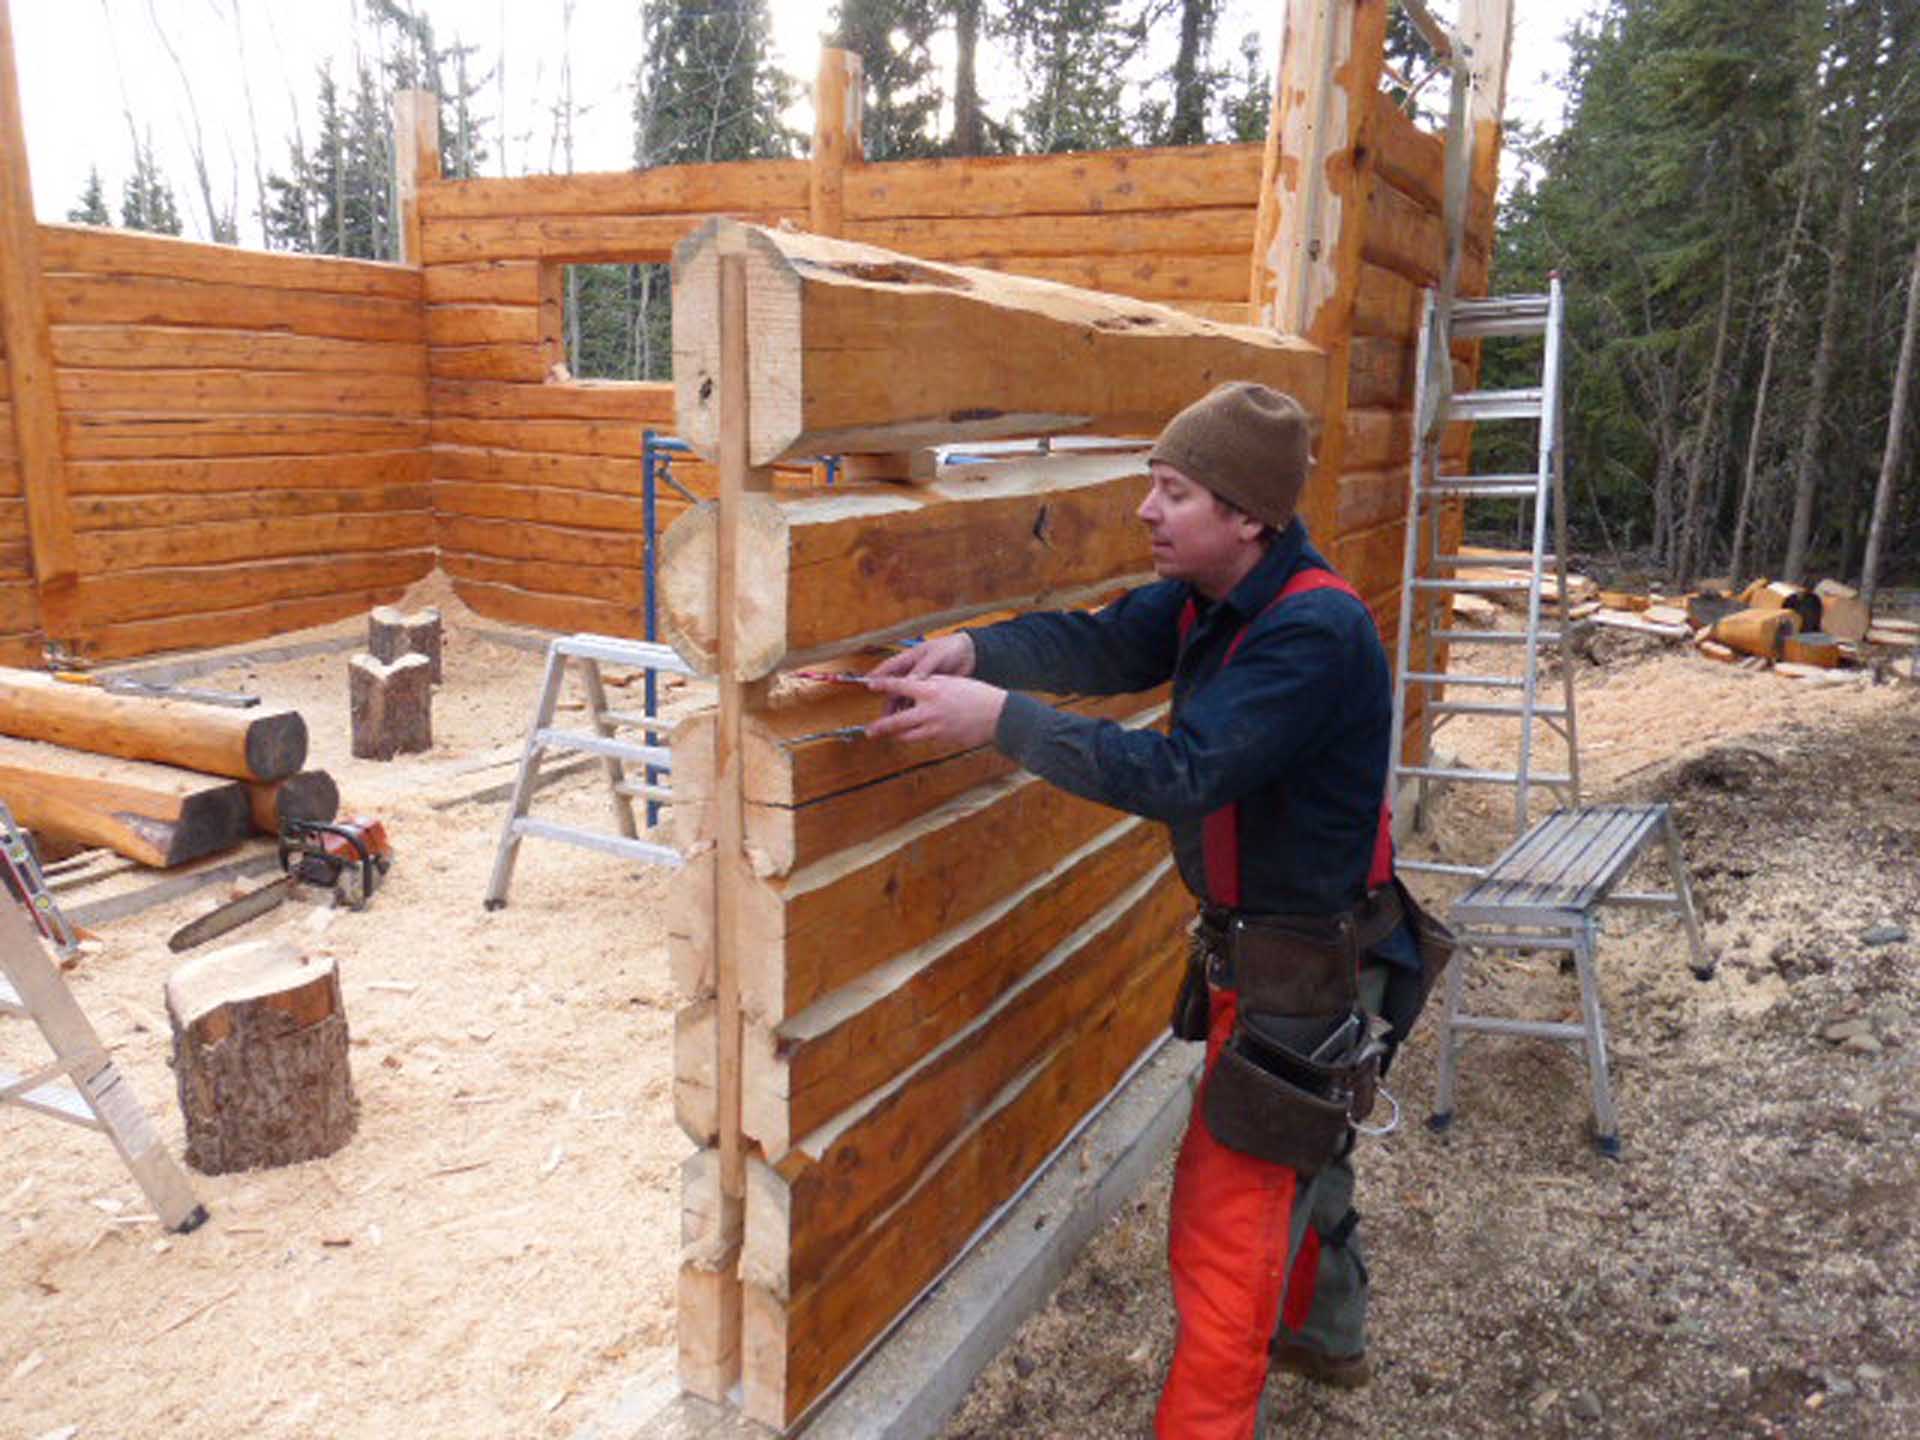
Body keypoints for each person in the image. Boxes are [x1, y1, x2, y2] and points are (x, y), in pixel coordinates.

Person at [865, 380, 1426, 1438]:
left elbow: (1181, 774)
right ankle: (1327, 1337)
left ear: (1245, 514)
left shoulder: (1314, 633)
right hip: (1286, 961)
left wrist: (998, 722)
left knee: (1225, 1233)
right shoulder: (1217, 595)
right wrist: (977, 653)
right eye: (1150, 486)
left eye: (1173, 491)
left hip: (1300, 976)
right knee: (1307, 1158)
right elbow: (1103, 645)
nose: (1146, 510)